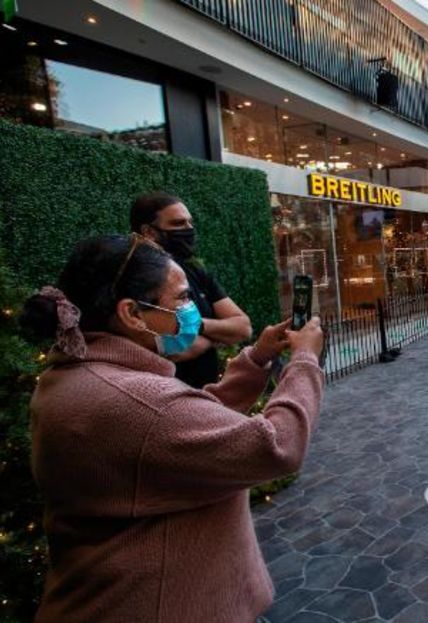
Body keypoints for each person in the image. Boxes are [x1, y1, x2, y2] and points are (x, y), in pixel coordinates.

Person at [20, 234, 325, 622]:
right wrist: (303, 360)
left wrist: (258, 356)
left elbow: (186, 427)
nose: (192, 309)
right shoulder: (135, 399)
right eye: (180, 298)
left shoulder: (84, 376)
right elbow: (277, 445)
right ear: (131, 313)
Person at [131, 192, 252, 387]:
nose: (189, 229)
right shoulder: (134, 275)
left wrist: (197, 326)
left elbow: (243, 327)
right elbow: (171, 349)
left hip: (207, 395)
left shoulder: (195, 270)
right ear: (149, 232)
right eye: (178, 223)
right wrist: (215, 338)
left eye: (190, 222)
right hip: (165, 397)